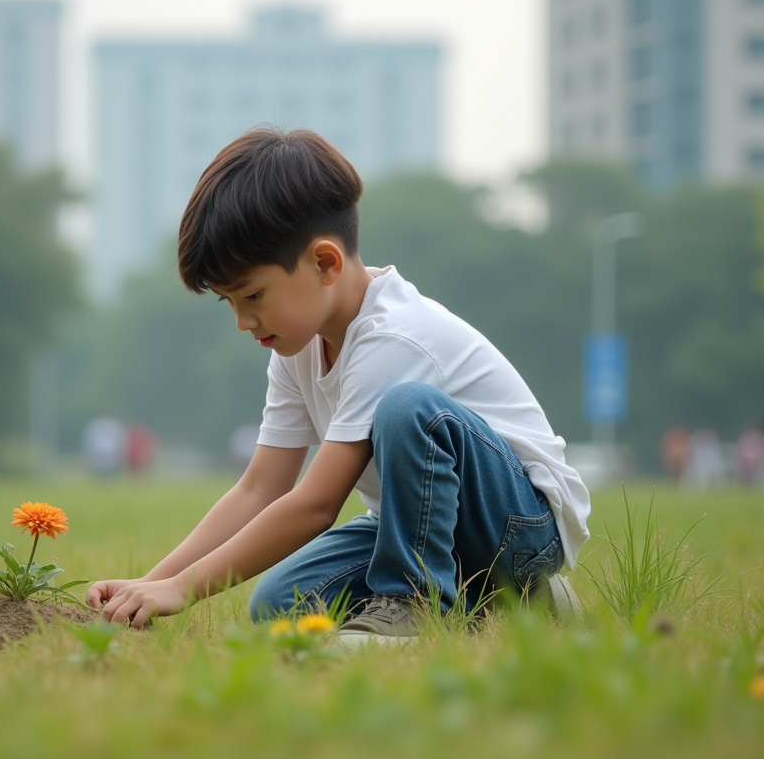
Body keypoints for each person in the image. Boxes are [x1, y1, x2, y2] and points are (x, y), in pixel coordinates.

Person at [86, 127, 588, 642]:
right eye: (229, 302)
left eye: (253, 296)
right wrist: (153, 583)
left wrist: (184, 589)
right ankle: (508, 600)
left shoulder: (394, 336)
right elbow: (260, 488)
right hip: (417, 529)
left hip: (518, 528)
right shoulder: (294, 345)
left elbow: (316, 504)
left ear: (324, 262)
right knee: (281, 605)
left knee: (409, 408)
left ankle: (416, 607)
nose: (242, 321)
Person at [82, 413, 125, 478]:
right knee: (101, 472)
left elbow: (119, 439)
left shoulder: (112, 425)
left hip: (110, 452)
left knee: (110, 472)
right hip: (99, 452)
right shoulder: (94, 425)